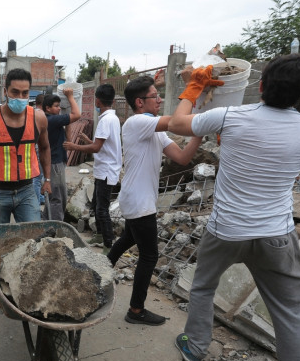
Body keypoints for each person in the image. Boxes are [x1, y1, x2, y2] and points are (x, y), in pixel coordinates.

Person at [167, 54, 300, 361]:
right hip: (276, 235)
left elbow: (176, 123)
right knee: (291, 316)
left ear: (260, 85)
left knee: (204, 287)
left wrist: (195, 86)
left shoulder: (230, 118)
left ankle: (195, 347)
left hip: (226, 231)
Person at [109, 76, 203, 325]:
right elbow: (177, 122)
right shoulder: (137, 122)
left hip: (137, 198)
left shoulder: (153, 129)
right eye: (155, 96)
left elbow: (182, 158)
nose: (160, 99)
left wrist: (200, 134)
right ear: (140, 102)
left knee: (128, 239)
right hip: (139, 202)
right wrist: (193, 96)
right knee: (149, 256)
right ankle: (136, 310)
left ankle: (99, 272)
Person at [0, 68, 51, 224]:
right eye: (15, 92)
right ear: (5, 91)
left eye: (25, 93)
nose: (20, 97)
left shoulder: (39, 118)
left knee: (33, 238)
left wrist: (47, 179)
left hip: (27, 191)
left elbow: (45, 148)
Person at [63, 84, 121, 253]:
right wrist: (87, 140)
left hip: (106, 171)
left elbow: (96, 148)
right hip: (106, 169)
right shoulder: (113, 118)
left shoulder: (106, 120)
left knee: (102, 209)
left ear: (97, 100)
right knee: (96, 205)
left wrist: (74, 146)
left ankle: (108, 245)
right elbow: (102, 145)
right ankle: (100, 235)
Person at [42, 88, 81, 220]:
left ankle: (46, 221)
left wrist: (67, 120)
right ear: (47, 108)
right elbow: (77, 115)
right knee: (58, 198)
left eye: (59, 106)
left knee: (54, 195)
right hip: (54, 163)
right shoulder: (51, 120)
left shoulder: (52, 120)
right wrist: (70, 97)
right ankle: (56, 227)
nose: (59, 109)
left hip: (56, 161)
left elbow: (68, 137)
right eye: (56, 106)